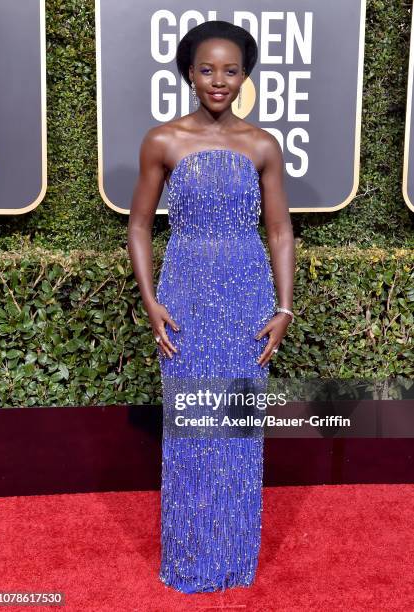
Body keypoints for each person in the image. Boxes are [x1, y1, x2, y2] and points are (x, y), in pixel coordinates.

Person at [128, 20, 295, 594]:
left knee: (237, 429)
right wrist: (151, 301)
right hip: (186, 298)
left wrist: (284, 307)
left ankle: (232, 559)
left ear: (244, 75)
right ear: (188, 73)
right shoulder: (163, 140)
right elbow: (141, 226)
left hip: (247, 297)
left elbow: (279, 230)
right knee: (194, 427)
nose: (218, 81)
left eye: (230, 70)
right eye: (206, 69)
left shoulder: (262, 144)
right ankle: (189, 557)